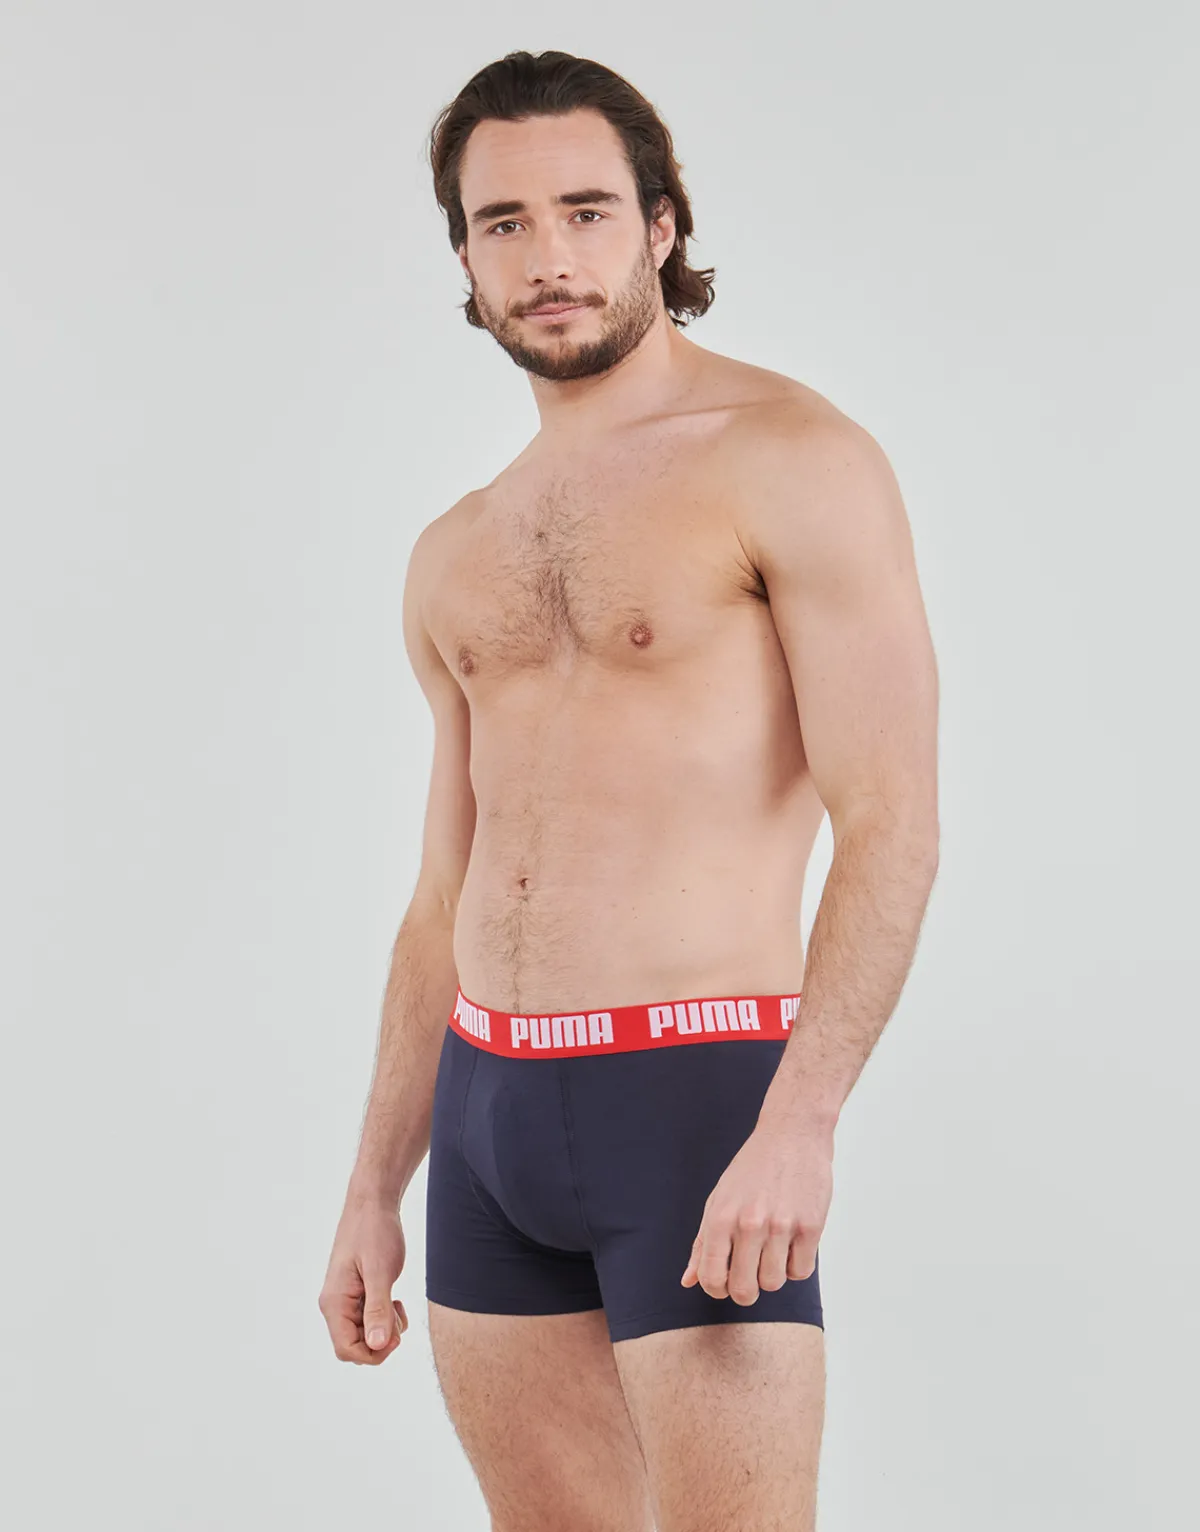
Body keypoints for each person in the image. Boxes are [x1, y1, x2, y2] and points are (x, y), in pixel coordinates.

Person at [319, 48, 940, 1532]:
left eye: (587, 211)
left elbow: (893, 822)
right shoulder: (457, 548)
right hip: (484, 1117)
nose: (549, 257)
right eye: (505, 223)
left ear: (662, 225)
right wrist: (373, 1184)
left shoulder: (792, 459)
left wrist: (802, 1122)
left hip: (698, 1100)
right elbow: (441, 898)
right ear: (464, 260)